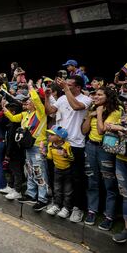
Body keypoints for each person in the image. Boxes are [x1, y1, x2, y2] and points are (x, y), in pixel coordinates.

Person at [44, 76, 92, 223]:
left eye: (70, 85)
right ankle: (59, 204)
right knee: (58, 176)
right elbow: (50, 111)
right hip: (58, 142)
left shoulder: (86, 99)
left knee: (76, 179)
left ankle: (77, 208)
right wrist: (47, 97)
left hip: (75, 144)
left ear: (78, 87)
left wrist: (65, 88)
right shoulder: (62, 98)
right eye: (66, 84)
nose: (66, 86)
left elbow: (76, 107)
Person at [4, 80, 49, 211]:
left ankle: (42, 199)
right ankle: (31, 193)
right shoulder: (25, 114)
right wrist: (4, 109)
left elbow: (36, 99)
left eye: (29, 101)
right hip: (27, 148)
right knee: (29, 171)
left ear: (35, 104)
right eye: (26, 101)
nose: (26, 103)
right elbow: (13, 118)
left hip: (38, 147)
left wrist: (30, 88)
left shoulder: (41, 113)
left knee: (39, 172)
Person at [81, 86, 120, 231]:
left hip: (106, 150)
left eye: (99, 95)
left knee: (109, 183)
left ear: (108, 97)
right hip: (90, 147)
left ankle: (109, 216)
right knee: (92, 180)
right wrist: (89, 116)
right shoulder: (93, 109)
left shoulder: (115, 111)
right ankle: (92, 211)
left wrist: (97, 114)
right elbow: (84, 130)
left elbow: (101, 130)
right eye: (95, 95)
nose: (96, 97)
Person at [105, 117, 127, 243]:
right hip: (121, 159)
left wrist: (123, 129)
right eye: (124, 100)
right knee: (126, 195)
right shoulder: (123, 117)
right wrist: (112, 128)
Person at [45, 126, 74, 218]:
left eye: (52, 135)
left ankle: (66, 208)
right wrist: (43, 152)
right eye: (49, 134)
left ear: (60, 138)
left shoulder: (67, 145)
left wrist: (66, 155)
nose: (49, 136)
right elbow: (49, 157)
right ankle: (57, 205)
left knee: (67, 190)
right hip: (57, 169)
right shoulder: (50, 145)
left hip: (67, 170)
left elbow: (72, 158)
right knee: (57, 189)